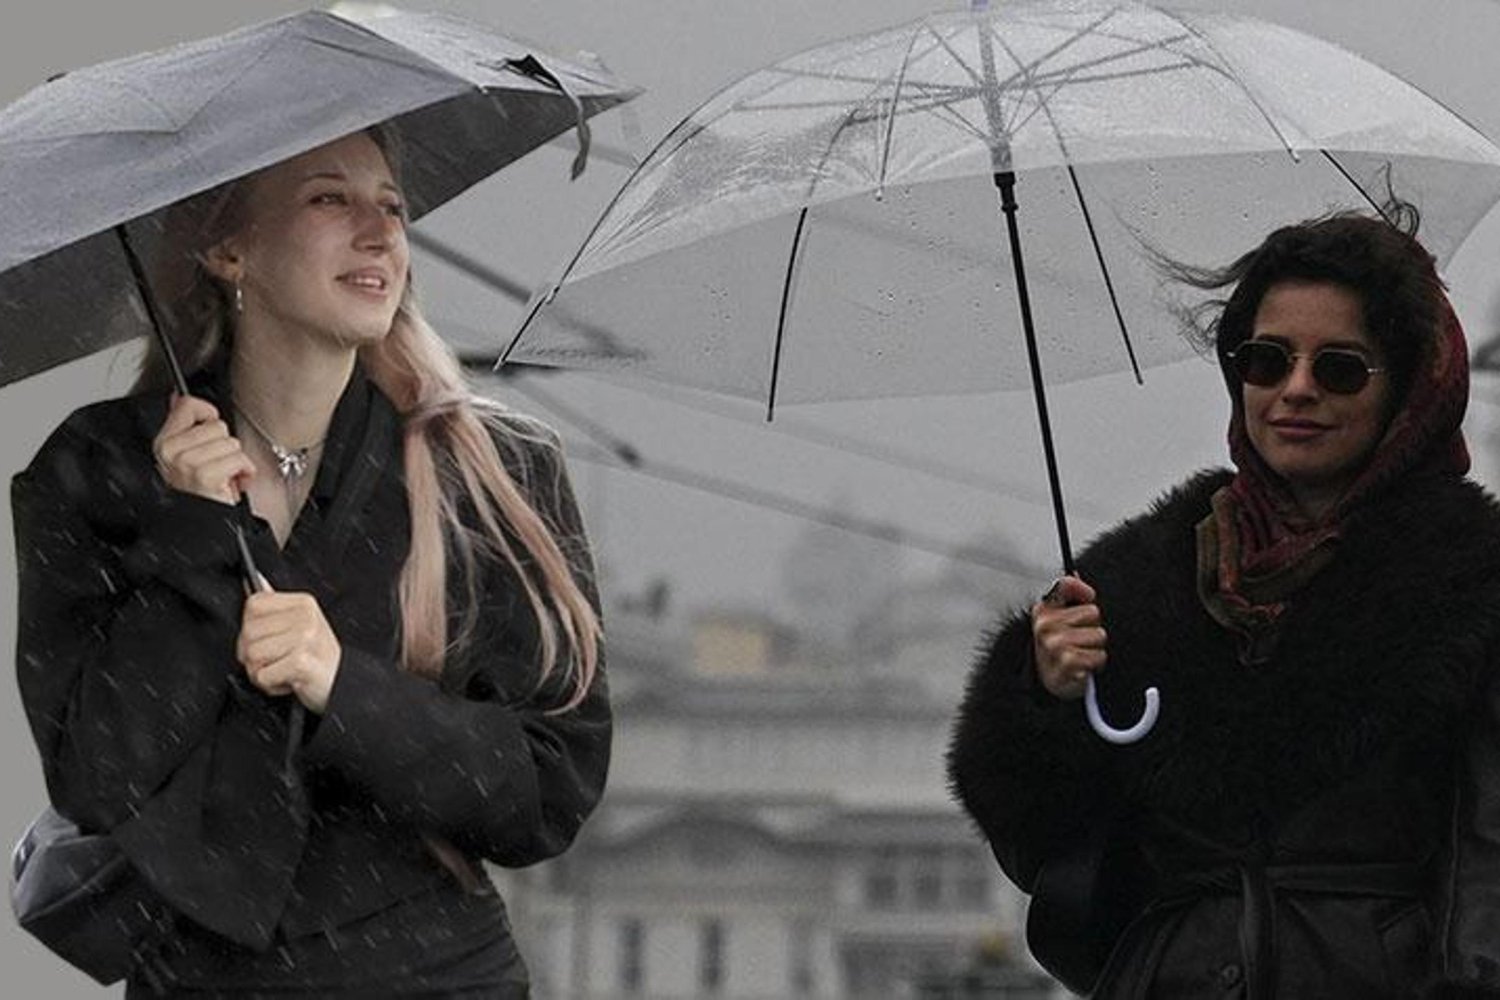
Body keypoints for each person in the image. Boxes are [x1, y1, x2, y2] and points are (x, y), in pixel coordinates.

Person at [12, 128, 607, 998]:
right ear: (228, 250)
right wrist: (191, 537)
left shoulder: (492, 472)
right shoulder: (100, 469)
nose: (380, 232)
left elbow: (549, 791)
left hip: (431, 979)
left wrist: (343, 686)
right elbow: (96, 778)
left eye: (392, 207)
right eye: (330, 198)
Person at [947, 203, 1500, 998]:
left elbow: (1489, 860)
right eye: (1266, 361)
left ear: (1408, 389)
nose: (1296, 390)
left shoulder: (1473, 581)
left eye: (1340, 368)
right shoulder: (1136, 582)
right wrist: (1044, 698)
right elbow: (1043, 845)